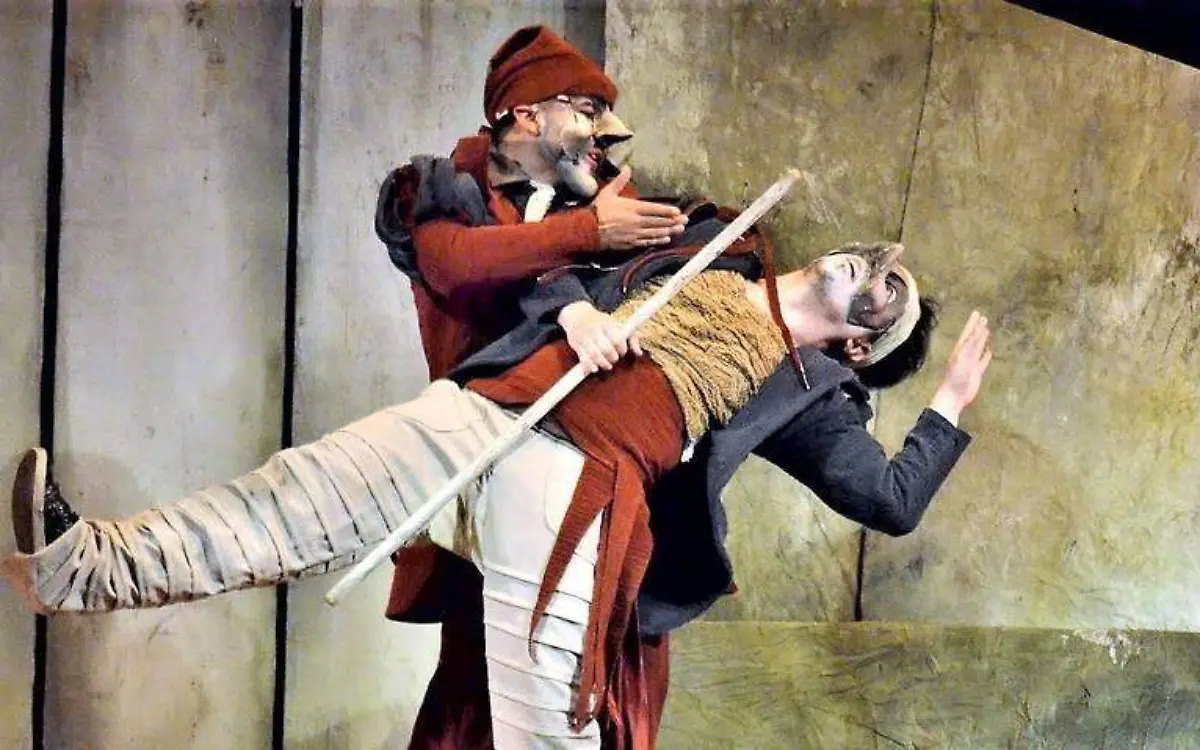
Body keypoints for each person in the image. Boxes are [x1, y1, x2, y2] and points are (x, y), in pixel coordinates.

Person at [2, 230, 992, 749]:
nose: (877, 271)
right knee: (288, 499)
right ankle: (77, 565)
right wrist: (575, 314)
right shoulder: (713, 243)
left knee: (544, 736)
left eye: (889, 294)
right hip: (490, 412)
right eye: (882, 264)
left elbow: (890, 500)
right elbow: (552, 258)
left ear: (860, 344)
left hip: (572, 496)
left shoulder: (813, 392)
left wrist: (946, 404)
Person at [373, 25, 689, 748]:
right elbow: (456, 264)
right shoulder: (445, 189)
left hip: (607, 492)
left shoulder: (604, 200)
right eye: (587, 109)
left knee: (616, 687)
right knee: (482, 697)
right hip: (495, 477)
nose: (609, 132)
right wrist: (587, 234)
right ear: (525, 113)